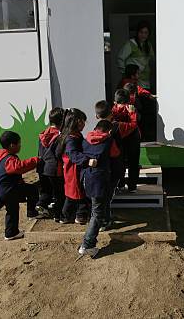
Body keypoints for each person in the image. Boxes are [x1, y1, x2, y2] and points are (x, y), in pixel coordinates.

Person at [78, 120, 121, 258]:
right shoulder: (108, 141)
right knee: (97, 214)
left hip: (86, 179)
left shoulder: (85, 140)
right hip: (100, 181)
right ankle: (87, 245)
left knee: (96, 208)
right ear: (108, 131)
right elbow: (115, 154)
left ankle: (103, 224)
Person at [0, 131, 40, 241]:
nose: (20, 146)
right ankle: (32, 213)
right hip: (10, 190)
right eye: (19, 143)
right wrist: (35, 160)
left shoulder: (1, 156)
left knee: (12, 210)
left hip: (2, 191)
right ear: (12, 145)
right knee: (33, 190)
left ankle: (10, 233)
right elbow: (18, 167)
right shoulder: (9, 159)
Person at [56, 108, 96, 224]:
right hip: (74, 170)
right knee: (78, 193)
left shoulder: (68, 134)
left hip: (72, 169)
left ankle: (67, 216)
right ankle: (78, 216)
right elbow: (73, 154)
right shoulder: (71, 138)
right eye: (83, 121)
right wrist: (87, 160)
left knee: (72, 194)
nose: (84, 124)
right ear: (78, 122)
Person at [95, 99, 140, 193]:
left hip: (104, 159)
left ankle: (118, 187)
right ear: (111, 113)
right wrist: (132, 113)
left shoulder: (95, 129)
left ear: (96, 116)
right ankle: (126, 187)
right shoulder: (118, 126)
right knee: (119, 169)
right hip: (116, 156)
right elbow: (133, 125)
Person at [35, 107, 65, 220]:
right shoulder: (60, 136)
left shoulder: (43, 134)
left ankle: (41, 204)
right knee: (58, 193)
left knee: (45, 189)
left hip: (42, 167)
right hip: (54, 169)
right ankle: (58, 215)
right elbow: (59, 153)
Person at [117, 21, 155, 90]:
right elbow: (120, 59)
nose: (143, 35)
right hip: (133, 81)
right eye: (141, 32)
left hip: (145, 81)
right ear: (137, 32)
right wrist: (125, 74)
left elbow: (152, 60)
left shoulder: (148, 45)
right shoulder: (131, 43)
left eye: (146, 33)